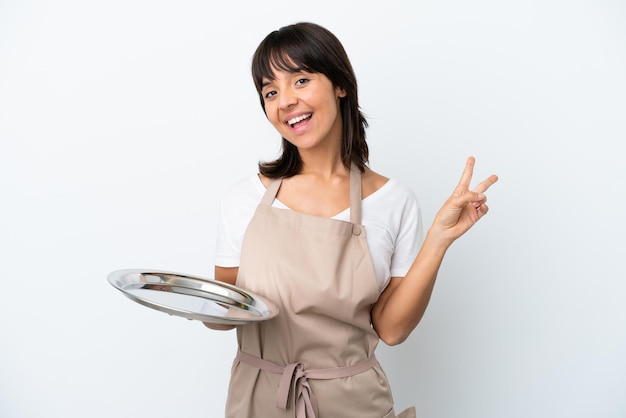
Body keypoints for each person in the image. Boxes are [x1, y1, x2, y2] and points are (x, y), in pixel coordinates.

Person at [205, 22, 498, 418]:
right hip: (259, 400)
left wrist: (438, 239)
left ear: (340, 84)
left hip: (356, 404)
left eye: (301, 80)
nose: (285, 100)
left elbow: (392, 329)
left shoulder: (393, 201)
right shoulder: (244, 199)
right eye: (270, 91)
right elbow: (221, 314)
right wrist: (181, 298)